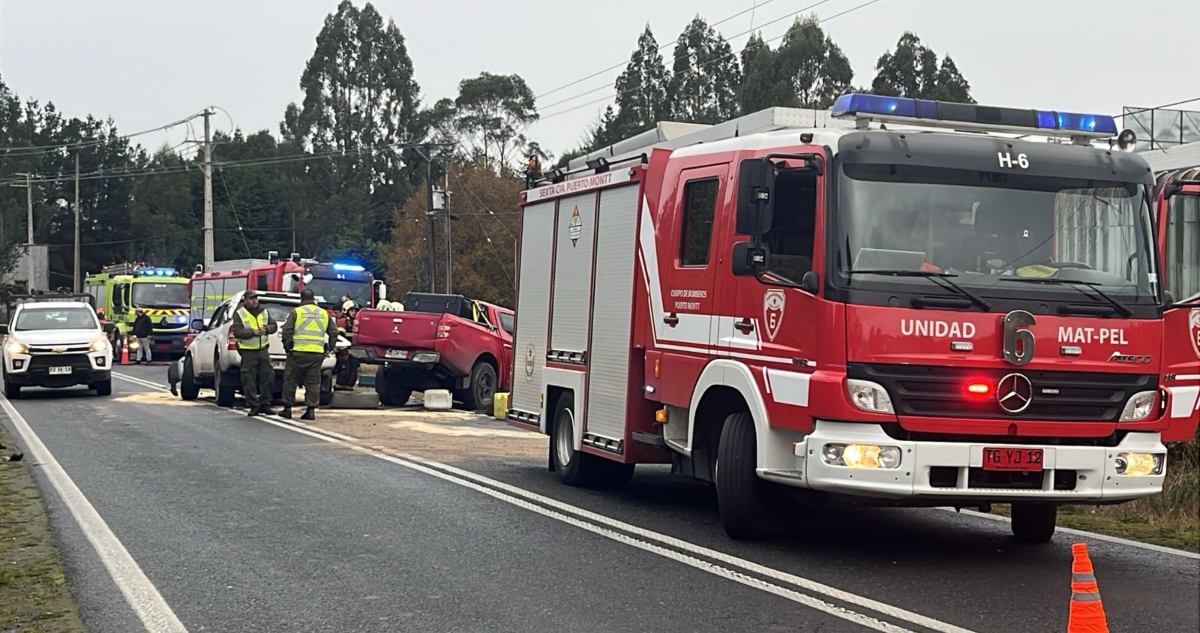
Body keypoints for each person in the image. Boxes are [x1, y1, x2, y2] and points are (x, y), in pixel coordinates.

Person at [280, 288, 338, 420]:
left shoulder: (297, 312)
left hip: (298, 353)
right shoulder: (324, 313)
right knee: (313, 382)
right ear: (314, 299)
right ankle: (311, 410)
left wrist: (287, 346)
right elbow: (334, 332)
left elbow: (287, 331)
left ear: (302, 299)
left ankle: (287, 409)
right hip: (316, 354)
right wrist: (329, 348)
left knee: (291, 379)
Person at [231, 290, 279, 416]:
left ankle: (265, 403)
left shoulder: (264, 311)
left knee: (268, 376)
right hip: (248, 351)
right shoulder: (240, 313)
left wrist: (267, 329)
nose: (254, 301)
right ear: (245, 300)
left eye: (255, 298)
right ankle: (253, 404)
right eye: (251, 298)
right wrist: (253, 332)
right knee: (249, 379)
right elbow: (237, 332)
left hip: (263, 349)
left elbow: (274, 326)